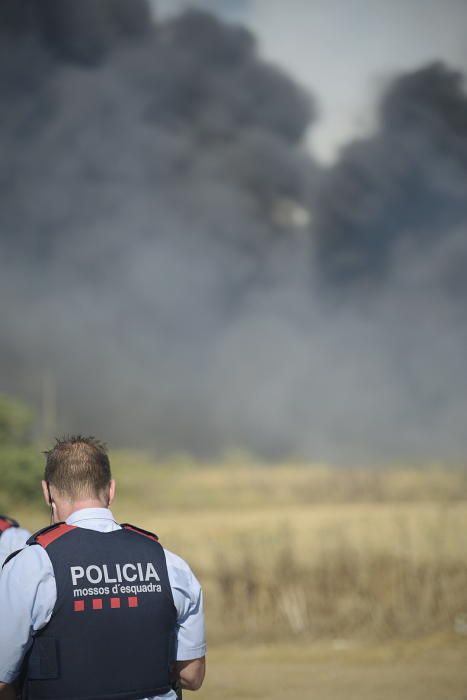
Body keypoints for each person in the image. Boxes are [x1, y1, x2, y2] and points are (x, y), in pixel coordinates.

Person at [0, 436, 206, 700]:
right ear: (110, 490)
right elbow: (192, 676)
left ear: (47, 491)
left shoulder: (29, 566)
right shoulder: (171, 564)